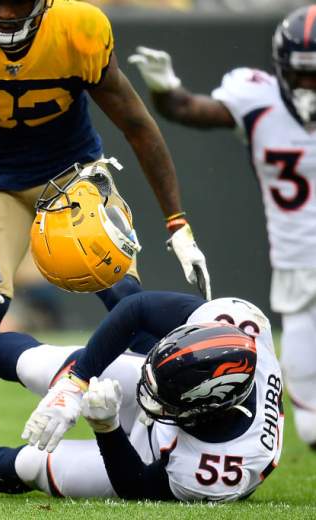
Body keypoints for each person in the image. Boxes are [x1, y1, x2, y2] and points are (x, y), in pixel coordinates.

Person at [0, 0, 210, 447]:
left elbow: (138, 126)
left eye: (16, 1)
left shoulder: (79, 29)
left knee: (125, 296)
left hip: (73, 177)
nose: (5, 13)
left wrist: (177, 224)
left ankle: (173, 416)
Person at [0, 292, 283, 502]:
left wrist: (106, 428)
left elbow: (136, 486)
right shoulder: (237, 326)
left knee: (33, 464)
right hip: (177, 400)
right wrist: (76, 382)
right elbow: (137, 310)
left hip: (154, 452)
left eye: (164, 398)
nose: (146, 396)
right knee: (39, 365)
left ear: (204, 409)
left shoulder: (220, 468)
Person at [127, 4, 316, 447]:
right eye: (302, 74)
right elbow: (187, 108)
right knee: (309, 419)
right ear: (281, 69)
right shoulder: (259, 100)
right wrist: (164, 88)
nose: (310, 86)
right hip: (298, 269)